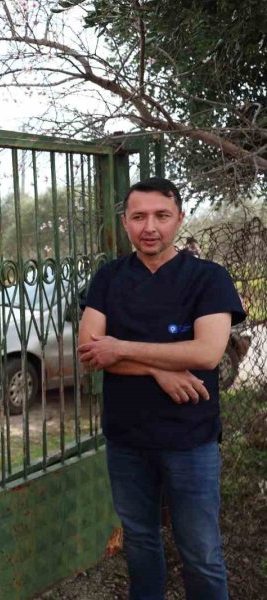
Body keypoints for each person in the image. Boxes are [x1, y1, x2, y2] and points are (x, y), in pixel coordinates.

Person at [78, 177, 245, 600]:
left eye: (161, 216)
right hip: (127, 440)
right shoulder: (109, 279)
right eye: (138, 217)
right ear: (125, 222)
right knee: (139, 542)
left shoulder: (208, 279)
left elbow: (207, 353)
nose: (149, 226)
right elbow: (91, 351)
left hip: (190, 441)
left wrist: (124, 349)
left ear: (179, 219)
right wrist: (160, 368)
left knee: (201, 552)